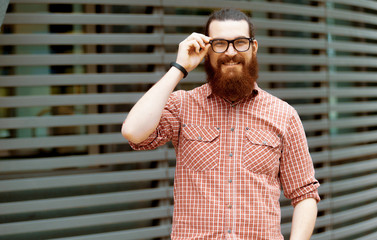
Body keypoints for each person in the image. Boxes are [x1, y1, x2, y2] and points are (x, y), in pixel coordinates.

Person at [122, 8, 320, 240]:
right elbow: (133, 132)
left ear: (253, 47)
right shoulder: (183, 106)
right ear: (207, 50)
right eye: (220, 44)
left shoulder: (284, 115)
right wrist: (179, 68)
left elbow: (305, 194)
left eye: (239, 42)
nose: (231, 52)